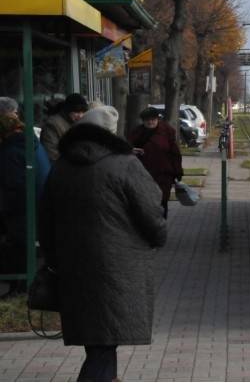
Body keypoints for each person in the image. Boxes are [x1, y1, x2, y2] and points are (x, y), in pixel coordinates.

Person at [39, 106, 167, 382]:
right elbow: (151, 211)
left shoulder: (61, 166)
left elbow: (45, 220)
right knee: (103, 347)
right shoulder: (125, 164)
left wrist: (53, 259)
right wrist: (159, 237)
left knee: (97, 342)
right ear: (111, 134)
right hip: (117, 271)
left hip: (73, 269)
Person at [0, 103, 51, 296]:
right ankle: (20, 286)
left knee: (18, 246)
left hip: (25, 209)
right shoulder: (27, 141)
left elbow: (13, 187)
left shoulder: (11, 150)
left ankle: (20, 288)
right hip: (35, 205)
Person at [128, 107, 183, 218]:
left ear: (157, 119)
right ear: (143, 121)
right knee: (146, 204)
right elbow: (127, 149)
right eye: (147, 120)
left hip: (163, 175)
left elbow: (175, 154)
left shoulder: (167, 131)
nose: (150, 122)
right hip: (143, 175)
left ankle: (161, 226)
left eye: (153, 119)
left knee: (162, 203)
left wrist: (178, 173)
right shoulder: (136, 133)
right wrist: (131, 151)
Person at [40, 93, 88, 162]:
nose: (80, 115)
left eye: (83, 112)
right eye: (76, 112)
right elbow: (52, 154)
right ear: (68, 110)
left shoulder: (80, 123)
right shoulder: (52, 125)